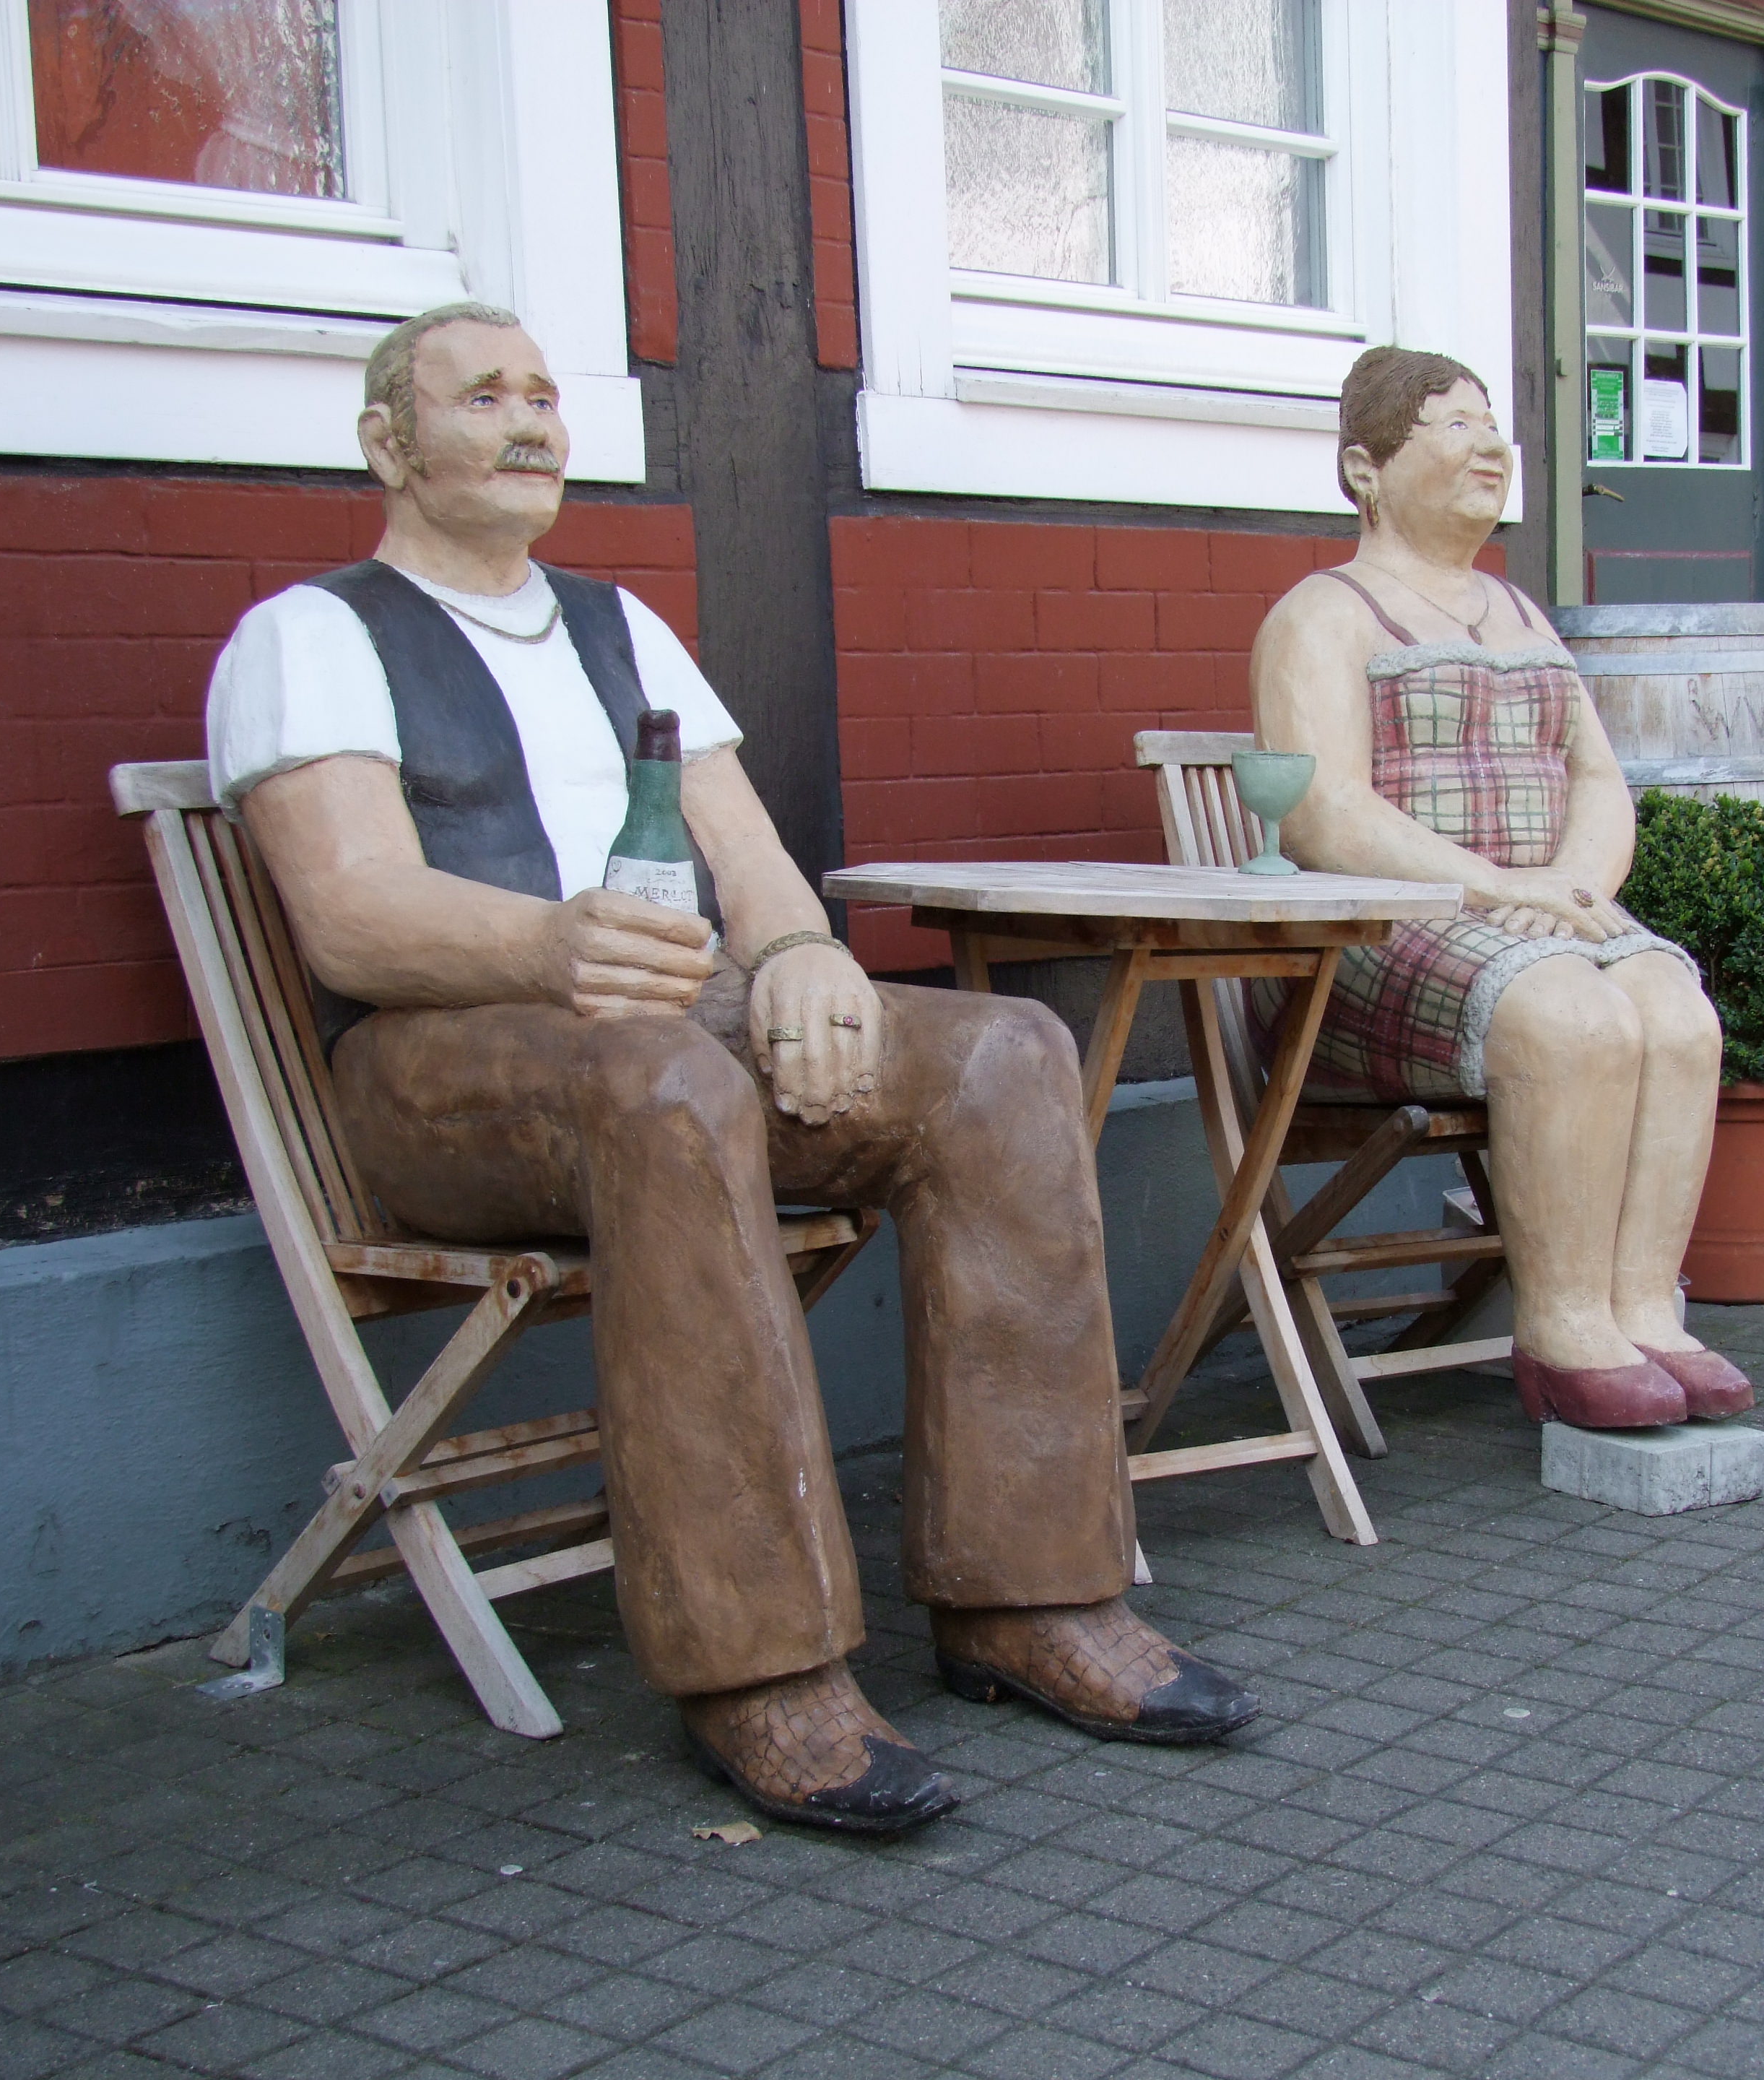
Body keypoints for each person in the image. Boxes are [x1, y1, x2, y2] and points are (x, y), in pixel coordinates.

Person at [205, 302, 1255, 1835]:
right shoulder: (313, 636)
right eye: (481, 396)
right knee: (670, 1089)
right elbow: (354, 912)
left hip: (668, 1034)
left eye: (543, 395)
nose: (528, 422)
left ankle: (1031, 1596)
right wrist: (548, 947)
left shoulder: (619, 626)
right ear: (388, 442)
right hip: (442, 1069)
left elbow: (746, 858)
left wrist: (806, 954)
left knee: (1002, 1057)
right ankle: (759, 1667)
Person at [1247, 346, 1752, 1431]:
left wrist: (1571, 882)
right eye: (1453, 426)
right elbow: (1324, 811)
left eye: (1491, 425)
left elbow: (1597, 778)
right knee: (1568, 1017)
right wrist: (1492, 888)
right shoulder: (1325, 615)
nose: (1491, 448)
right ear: (1366, 469)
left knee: (1677, 1012)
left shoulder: (1522, 613)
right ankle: (1562, 1330)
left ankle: (1644, 1310)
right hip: (1381, 934)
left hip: (1540, 917)